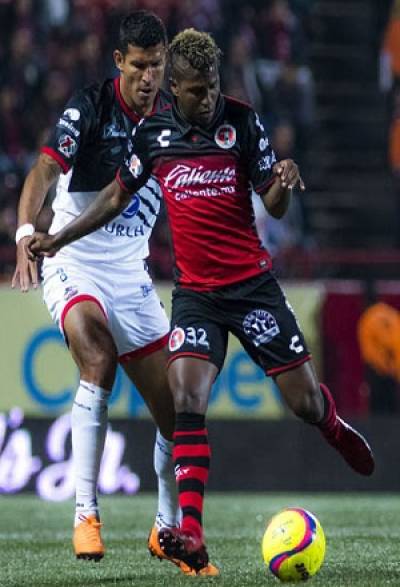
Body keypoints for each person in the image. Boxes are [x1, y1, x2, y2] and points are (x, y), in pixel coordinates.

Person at [27, 29, 375, 573]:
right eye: (196, 91)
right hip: (196, 296)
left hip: (252, 287)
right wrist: (57, 238)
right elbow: (116, 196)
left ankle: (333, 424)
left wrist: (282, 179)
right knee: (185, 399)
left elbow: (275, 207)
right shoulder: (155, 135)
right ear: (178, 90)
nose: (206, 99)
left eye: (212, 87)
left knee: (303, 403)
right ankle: (186, 531)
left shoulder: (242, 121)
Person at [11, 13, 218, 577]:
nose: (149, 77)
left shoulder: (179, 123)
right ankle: (85, 514)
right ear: (119, 62)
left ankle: (166, 529)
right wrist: (27, 234)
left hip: (131, 276)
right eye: (140, 65)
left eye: (158, 66)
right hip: (71, 259)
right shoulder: (90, 107)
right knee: (96, 359)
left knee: (180, 414)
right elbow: (44, 171)